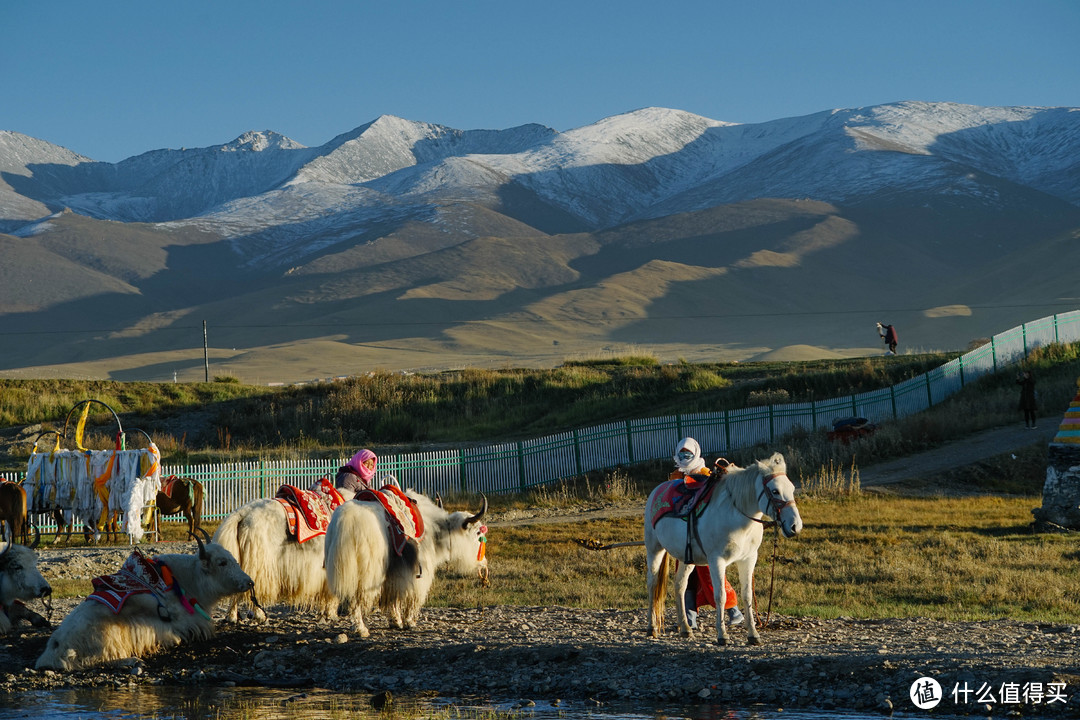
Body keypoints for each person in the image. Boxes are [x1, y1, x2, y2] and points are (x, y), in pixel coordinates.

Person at [669, 437, 744, 629]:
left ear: (696, 453)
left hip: (704, 534)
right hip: (681, 534)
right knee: (686, 576)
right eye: (681, 454)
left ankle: (732, 609)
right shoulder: (674, 477)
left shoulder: (706, 474)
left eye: (688, 454)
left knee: (710, 572)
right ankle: (690, 615)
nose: (685, 457)